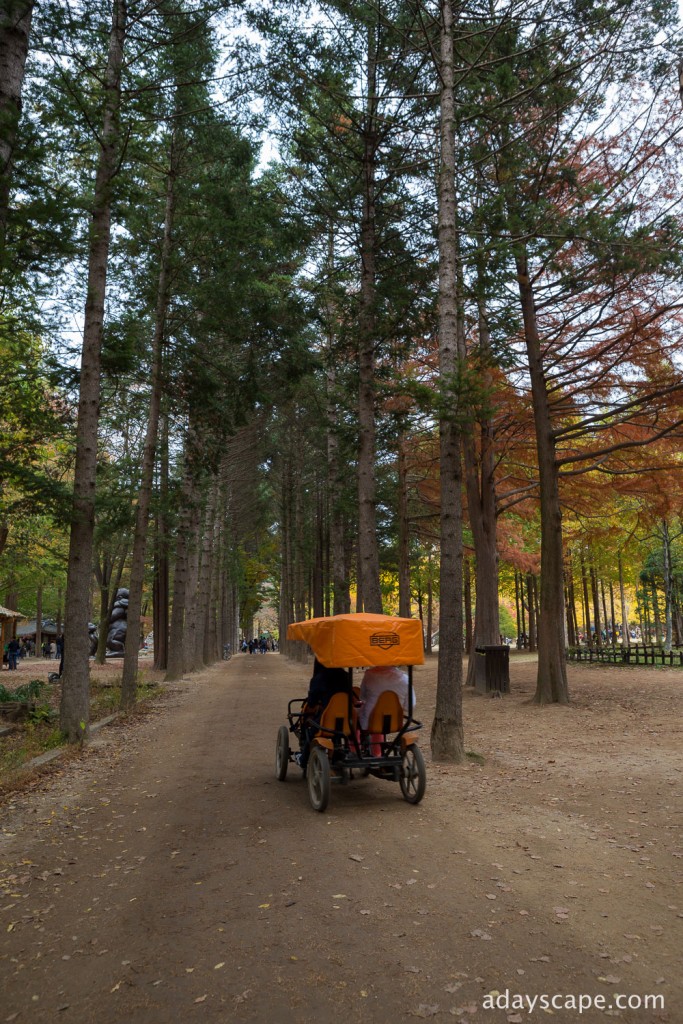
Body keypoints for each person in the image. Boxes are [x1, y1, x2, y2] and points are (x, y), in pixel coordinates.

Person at [295, 659, 353, 771]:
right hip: (347, 721)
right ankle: (337, 752)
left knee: (311, 731)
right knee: (336, 727)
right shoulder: (345, 676)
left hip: (326, 722)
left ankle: (303, 759)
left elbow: (311, 703)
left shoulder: (319, 679)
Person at [358, 664, 413, 732]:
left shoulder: (369, 675)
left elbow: (362, 697)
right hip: (395, 723)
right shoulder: (406, 679)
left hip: (368, 723)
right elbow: (409, 706)